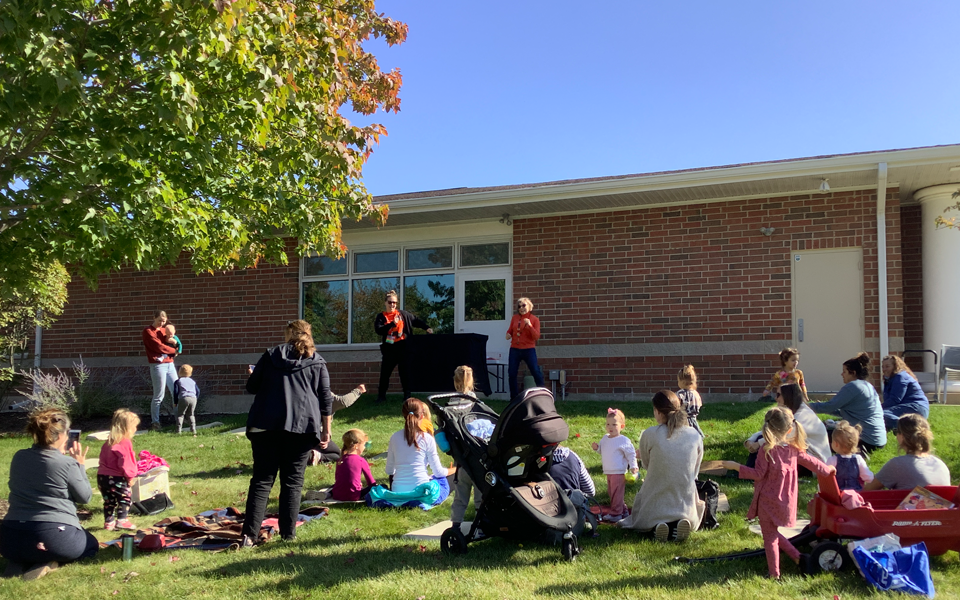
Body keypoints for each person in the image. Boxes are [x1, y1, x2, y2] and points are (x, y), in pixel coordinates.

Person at [241, 320, 353, 546]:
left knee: (262, 480)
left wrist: (253, 374)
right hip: (302, 427)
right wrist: (326, 430)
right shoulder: (317, 362)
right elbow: (325, 399)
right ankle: (288, 535)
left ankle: (249, 536)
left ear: (288, 334)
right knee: (292, 482)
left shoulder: (270, 355)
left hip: (265, 425)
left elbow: (252, 387)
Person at [723, 406, 834, 580]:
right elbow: (813, 462)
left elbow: (757, 474)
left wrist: (736, 466)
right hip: (785, 501)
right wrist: (828, 470)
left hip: (767, 501)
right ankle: (798, 558)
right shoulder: (793, 450)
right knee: (771, 532)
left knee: (770, 537)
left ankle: (774, 574)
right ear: (789, 429)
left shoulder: (766, 450)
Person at [0, 409, 98, 580]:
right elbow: (85, 497)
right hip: (53, 537)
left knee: (26, 546)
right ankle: (48, 561)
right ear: (60, 435)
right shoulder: (67, 463)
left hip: (10, 539)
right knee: (90, 545)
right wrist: (80, 465)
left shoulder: (19, 457)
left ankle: (20, 562)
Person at [618, 391, 703, 542]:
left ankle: (657, 524)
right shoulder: (694, 435)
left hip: (656, 496)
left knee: (649, 504)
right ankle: (679, 521)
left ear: (657, 411)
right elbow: (695, 469)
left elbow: (646, 464)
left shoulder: (650, 434)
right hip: (685, 500)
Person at [807, 352, 886, 454]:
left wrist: (805, 406)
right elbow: (844, 411)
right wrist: (821, 407)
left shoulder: (853, 386)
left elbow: (829, 406)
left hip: (865, 440)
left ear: (853, 373)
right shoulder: (867, 385)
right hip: (878, 440)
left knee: (815, 435)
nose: (842, 374)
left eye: (844, 371)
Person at [744, 384, 830, 467]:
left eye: (778, 395)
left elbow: (784, 437)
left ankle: (750, 470)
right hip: (805, 456)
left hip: (816, 463)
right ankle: (750, 470)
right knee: (765, 440)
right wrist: (751, 440)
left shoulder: (803, 415)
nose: (776, 398)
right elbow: (769, 431)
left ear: (788, 396)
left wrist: (758, 444)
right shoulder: (793, 411)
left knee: (771, 445)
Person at [863, 413, 950, 491]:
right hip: (942, 504)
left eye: (896, 432)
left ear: (902, 436)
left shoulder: (898, 464)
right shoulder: (939, 464)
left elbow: (867, 490)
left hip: (911, 505)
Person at [374, 290, 433, 403]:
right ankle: (381, 396)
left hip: (403, 347)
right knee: (385, 373)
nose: (392, 305)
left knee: (405, 372)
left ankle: (407, 395)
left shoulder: (403, 314)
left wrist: (426, 327)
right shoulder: (381, 316)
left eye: (394, 303)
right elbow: (378, 330)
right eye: (390, 302)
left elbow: (415, 320)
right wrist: (392, 324)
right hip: (389, 349)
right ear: (385, 303)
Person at [385, 398, 454, 493]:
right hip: (422, 492)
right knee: (442, 480)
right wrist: (455, 469)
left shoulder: (394, 437)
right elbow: (439, 473)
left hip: (398, 491)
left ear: (403, 415)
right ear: (422, 416)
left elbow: (389, 471)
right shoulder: (427, 438)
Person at [591, 408, 638, 522]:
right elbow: (603, 450)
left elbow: (631, 454)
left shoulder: (623, 440)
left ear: (622, 426)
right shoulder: (605, 438)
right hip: (608, 471)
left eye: (614, 424)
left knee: (616, 493)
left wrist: (633, 465)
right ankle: (623, 510)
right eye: (608, 424)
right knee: (612, 493)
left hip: (618, 471)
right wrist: (597, 448)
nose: (610, 427)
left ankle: (616, 514)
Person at [97, 409, 140, 531]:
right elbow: (126, 462)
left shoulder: (108, 442)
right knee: (124, 498)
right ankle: (122, 520)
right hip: (117, 477)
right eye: (134, 426)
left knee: (109, 500)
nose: (136, 429)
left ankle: (109, 522)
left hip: (102, 477)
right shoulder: (125, 442)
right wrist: (130, 476)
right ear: (127, 428)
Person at [450, 366, 482, 529]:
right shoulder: (473, 401)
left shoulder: (451, 402)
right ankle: (480, 524)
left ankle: (455, 525)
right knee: (480, 495)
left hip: (461, 459)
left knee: (460, 496)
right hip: (476, 458)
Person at [142, 310, 179, 430]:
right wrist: (174, 351)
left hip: (170, 364)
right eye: (159, 321)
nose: (162, 324)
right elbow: (158, 347)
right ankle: (155, 422)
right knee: (159, 394)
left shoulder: (164, 330)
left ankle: (179, 419)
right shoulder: (148, 331)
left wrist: (176, 344)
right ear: (154, 318)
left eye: (164, 321)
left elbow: (173, 340)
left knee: (176, 392)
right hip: (158, 365)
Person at [505, 297, 544, 399]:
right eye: (519, 306)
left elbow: (536, 337)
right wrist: (508, 334)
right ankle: (514, 398)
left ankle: (543, 395)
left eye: (523, 305)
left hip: (528, 349)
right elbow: (510, 330)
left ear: (529, 306)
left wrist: (530, 326)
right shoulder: (515, 318)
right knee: (512, 373)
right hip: (515, 349)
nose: (521, 308)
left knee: (535, 371)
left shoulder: (534, 319)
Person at [881, 355, 930, 431]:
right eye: (883, 367)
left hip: (916, 407)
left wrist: (877, 408)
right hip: (908, 407)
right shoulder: (890, 379)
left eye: (887, 366)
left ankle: (909, 428)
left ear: (895, 366)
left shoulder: (900, 377)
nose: (884, 369)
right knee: (882, 416)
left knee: (881, 415)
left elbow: (895, 399)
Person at [826, 421, 873, 492]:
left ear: (836, 444)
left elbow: (826, 477)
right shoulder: (858, 459)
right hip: (856, 492)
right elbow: (868, 477)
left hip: (838, 493)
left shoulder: (832, 460)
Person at [330, 429, 376, 501]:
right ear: (356, 445)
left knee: (336, 485)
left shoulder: (340, 460)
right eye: (364, 445)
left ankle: (328, 493)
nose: (364, 447)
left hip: (337, 495)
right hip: (353, 496)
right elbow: (371, 483)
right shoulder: (361, 460)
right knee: (382, 486)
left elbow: (338, 479)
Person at [676, 364, 703, 437]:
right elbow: (699, 405)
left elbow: (676, 405)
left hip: (682, 421)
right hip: (693, 420)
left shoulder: (680, 394)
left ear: (682, 382)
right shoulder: (696, 394)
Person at [173, 364, 199, 435]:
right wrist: (195, 398)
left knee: (181, 414)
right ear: (190, 373)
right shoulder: (192, 381)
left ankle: (178, 430)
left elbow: (176, 392)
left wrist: (175, 402)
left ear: (179, 372)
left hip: (184, 398)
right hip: (193, 398)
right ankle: (193, 429)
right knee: (191, 414)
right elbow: (198, 391)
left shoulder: (178, 381)